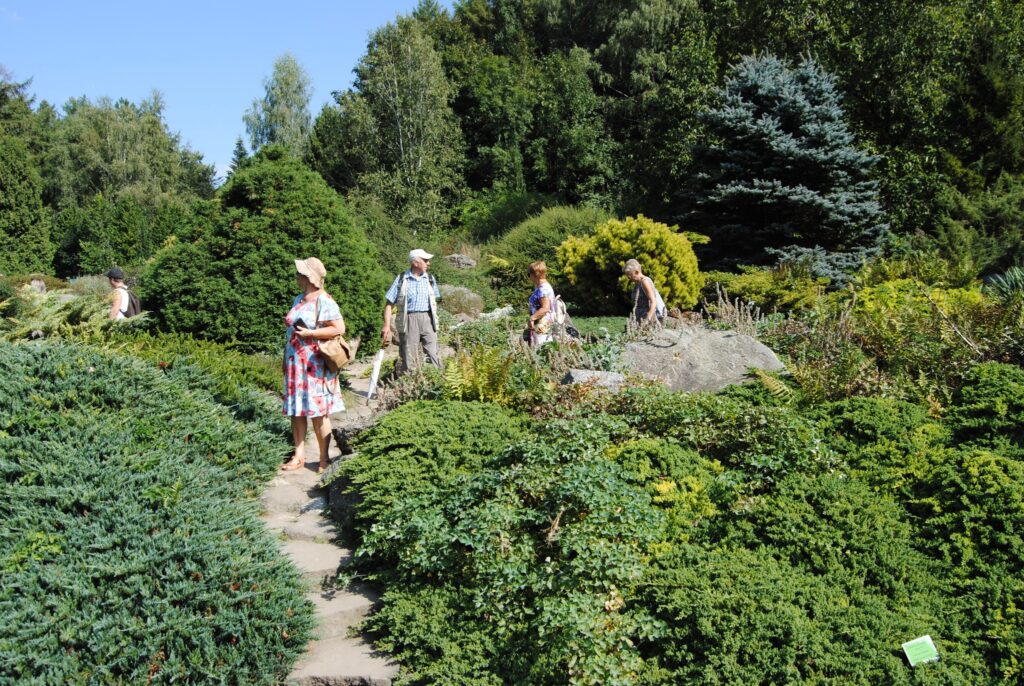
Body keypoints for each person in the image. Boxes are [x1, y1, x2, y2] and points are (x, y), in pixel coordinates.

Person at [281, 257, 346, 473]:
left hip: (314, 364)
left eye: (299, 273)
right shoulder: (299, 299)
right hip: (295, 364)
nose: (296, 276)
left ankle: (323, 459)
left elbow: (339, 328)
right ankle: (298, 455)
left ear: (309, 277)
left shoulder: (324, 301)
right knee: (297, 411)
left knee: (319, 412)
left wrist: (311, 333)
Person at [381, 248, 442, 372]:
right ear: (415, 262)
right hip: (409, 319)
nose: (428, 263)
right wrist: (386, 325)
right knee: (409, 356)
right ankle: (411, 386)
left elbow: (435, 302)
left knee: (433, 353)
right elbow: (389, 304)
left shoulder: (430, 279)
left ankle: (441, 383)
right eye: (425, 260)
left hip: (428, 319)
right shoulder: (402, 279)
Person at [623, 259, 666, 328]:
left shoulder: (644, 282)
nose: (628, 277)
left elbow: (653, 302)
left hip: (647, 323)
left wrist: (647, 320)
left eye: (630, 274)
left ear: (636, 272)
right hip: (640, 320)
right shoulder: (638, 283)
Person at [526, 261, 555, 347]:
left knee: (542, 349)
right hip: (541, 324)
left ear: (535, 274)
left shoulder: (543, 289)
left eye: (529, 274)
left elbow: (545, 308)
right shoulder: (542, 287)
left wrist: (532, 318)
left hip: (542, 325)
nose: (529, 277)